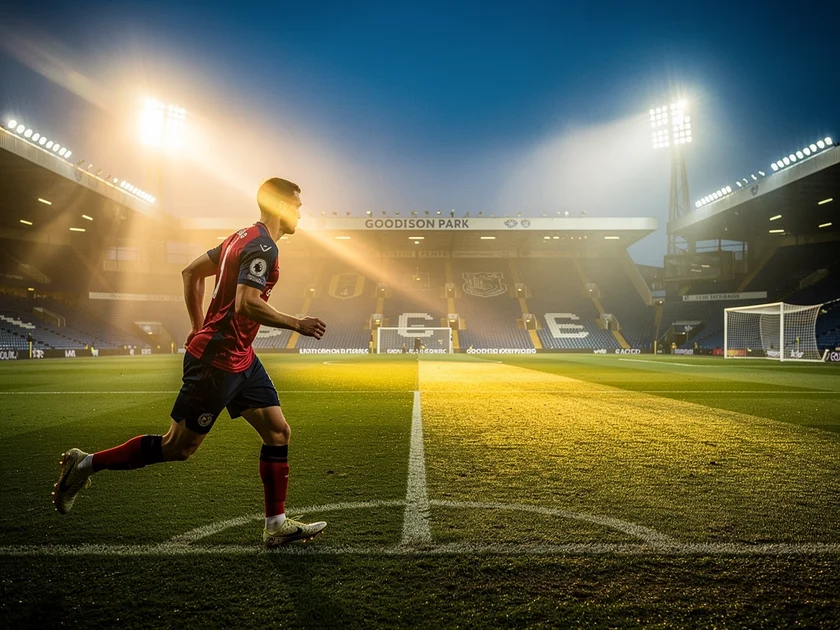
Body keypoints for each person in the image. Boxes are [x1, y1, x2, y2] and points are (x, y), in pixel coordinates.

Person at [53, 177, 328, 548]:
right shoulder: (264, 247)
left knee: (278, 432)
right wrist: (298, 322)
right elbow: (246, 303)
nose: (300, 211)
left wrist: (199, 325)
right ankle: (83, 464)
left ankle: (275, 524)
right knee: (178, 447)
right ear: (280, 205)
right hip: (216, 363)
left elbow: (191, 272)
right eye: (296, 204)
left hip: (242, 359)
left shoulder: (238, 238)